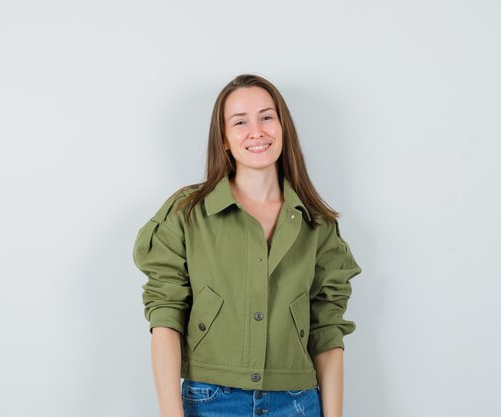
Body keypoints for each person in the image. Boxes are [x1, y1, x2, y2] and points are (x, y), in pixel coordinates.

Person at [132, 74, 362, 417]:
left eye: (267, 117)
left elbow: (327, 329)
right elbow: (165, 316)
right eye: (240, 122)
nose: (257, 131)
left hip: (297, 403)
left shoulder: (317, 225)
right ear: (224, 139)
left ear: (283, 128)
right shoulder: (188, 213)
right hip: (211, 401)